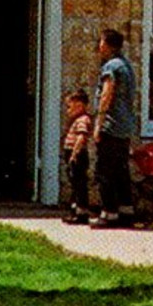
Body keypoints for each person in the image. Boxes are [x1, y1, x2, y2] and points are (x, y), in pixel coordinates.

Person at [90, 28, 137, 228]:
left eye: (101, 42)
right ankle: (126, 211)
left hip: (111, 124)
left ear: (108, 45)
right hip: (125, 126)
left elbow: (107, 94)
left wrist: (99, 123)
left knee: (104, 170)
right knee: (121, 170)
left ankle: (109, 213)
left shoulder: (111, 67)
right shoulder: (126, 65)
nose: (99, 46)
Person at [61, 89, 94, 224]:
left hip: (77, 155)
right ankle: (75, 210)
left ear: (79, 105)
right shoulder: (75, 120)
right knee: (74, 183)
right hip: (71, 153)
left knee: (79, 183)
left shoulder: (83, 120)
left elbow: (81, 137)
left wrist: (75, 153)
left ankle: (81, 212)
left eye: (70, 107)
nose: (68, 111)